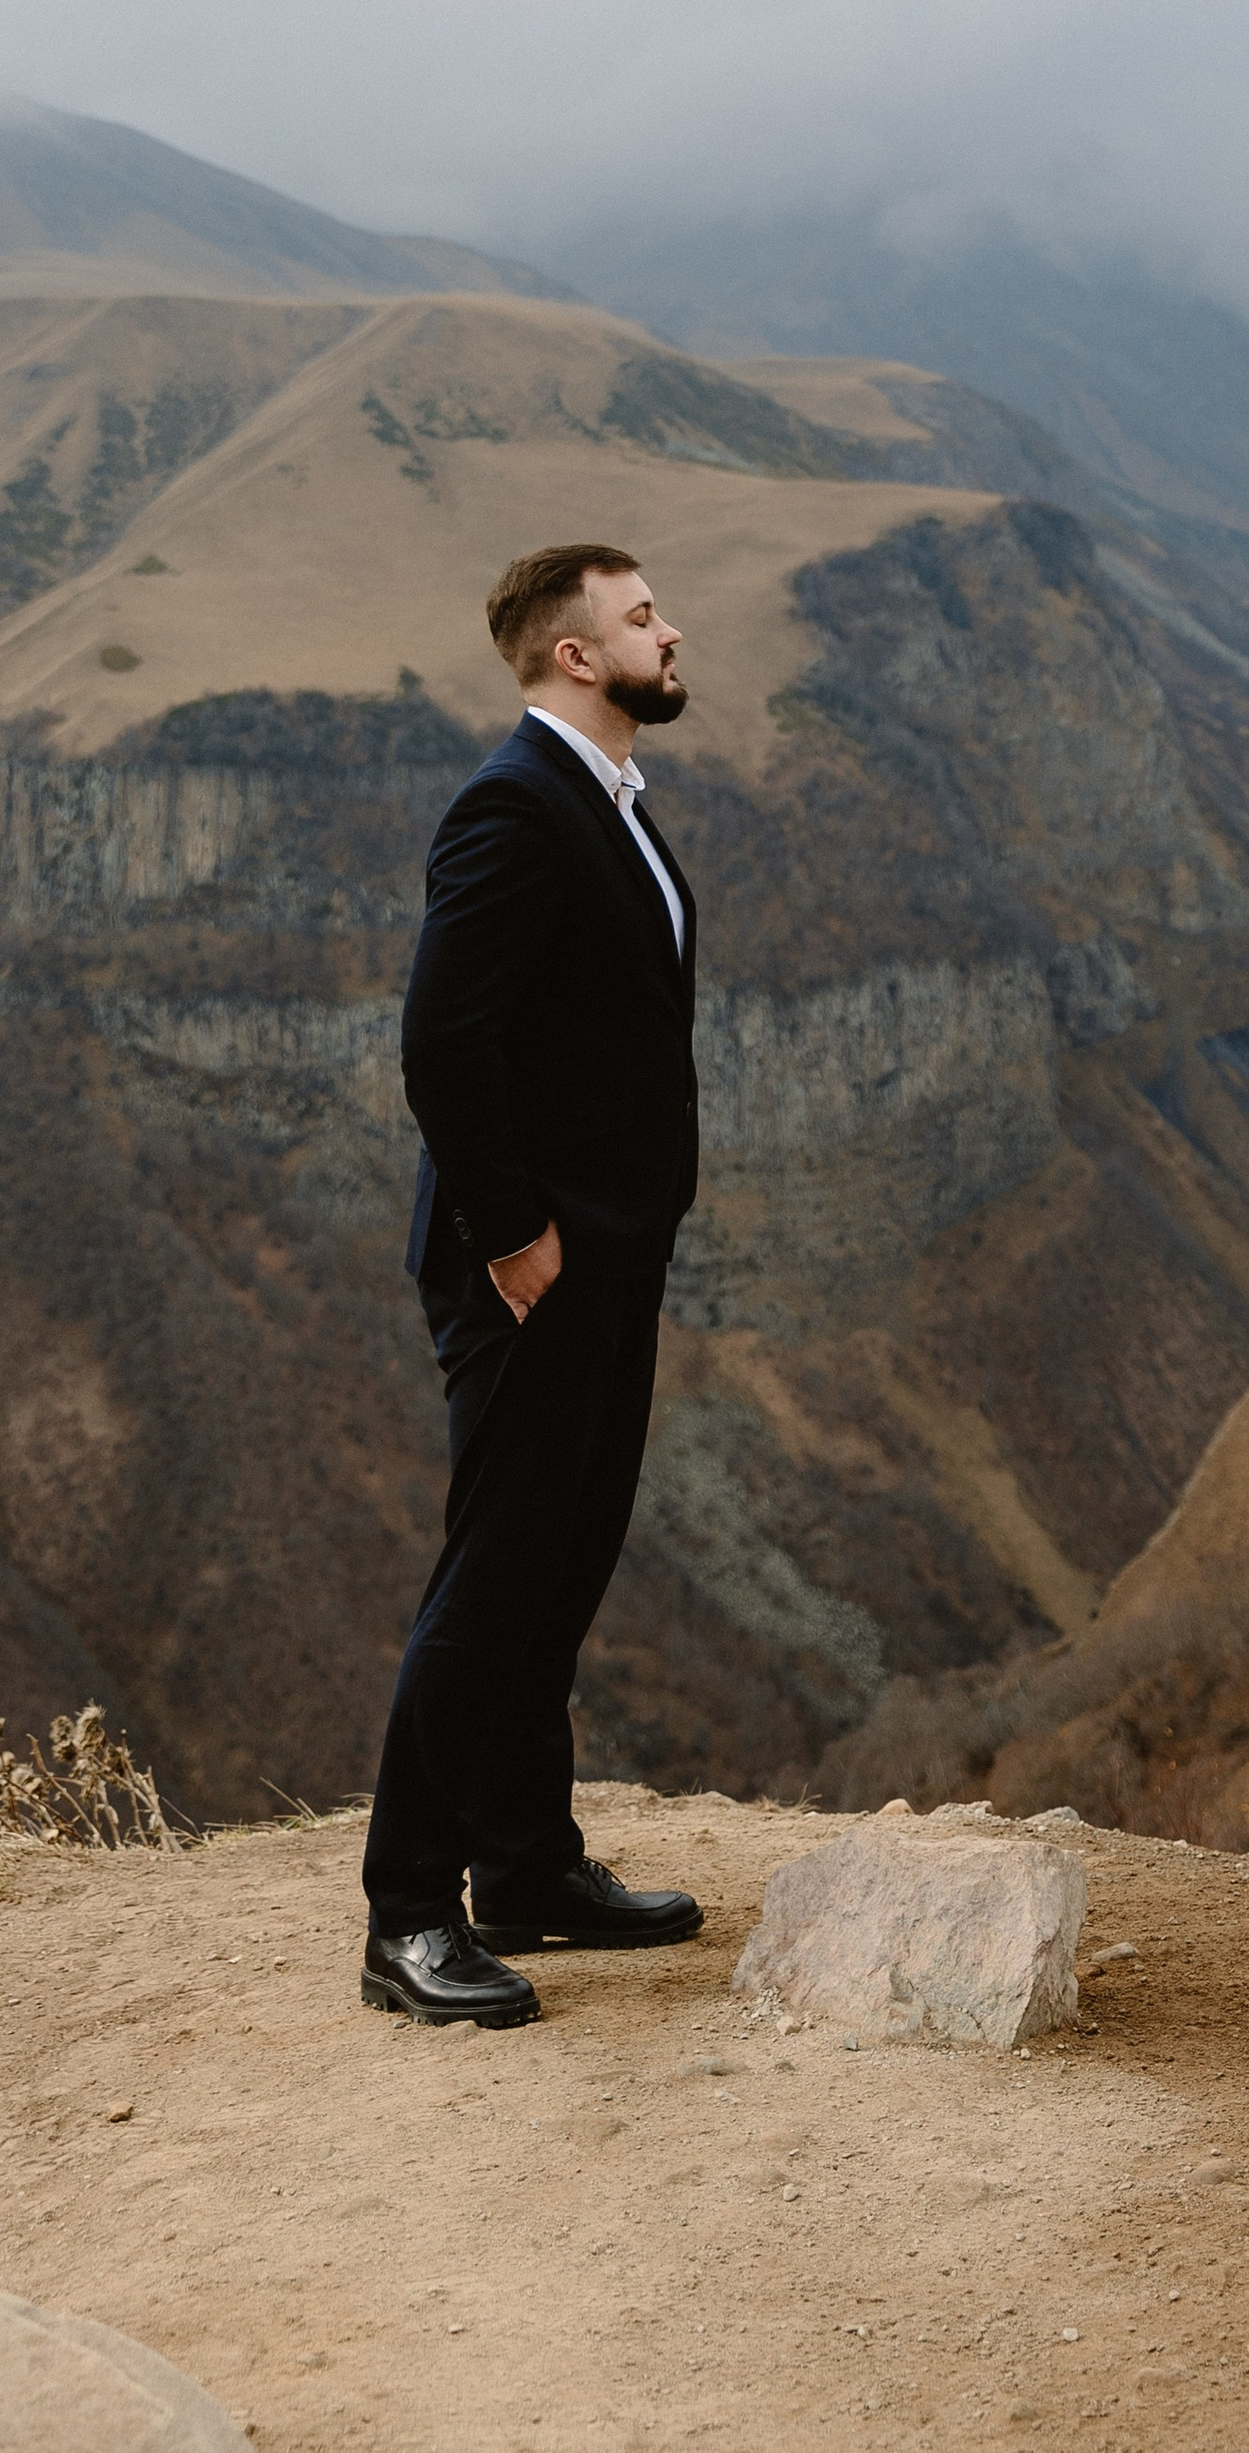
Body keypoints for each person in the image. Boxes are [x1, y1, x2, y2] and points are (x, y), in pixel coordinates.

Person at [359, 545, 707, 2029]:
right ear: (576, 657)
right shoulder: (515, 803)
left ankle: (527, 1868)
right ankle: (408, 1913)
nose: (668, 630)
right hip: (534, 1269)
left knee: (561, 1566)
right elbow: (445, 1038)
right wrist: (516, 1238)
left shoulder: (606, 802)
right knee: (494, 1576)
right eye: (640, 619)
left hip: (608, 1255)